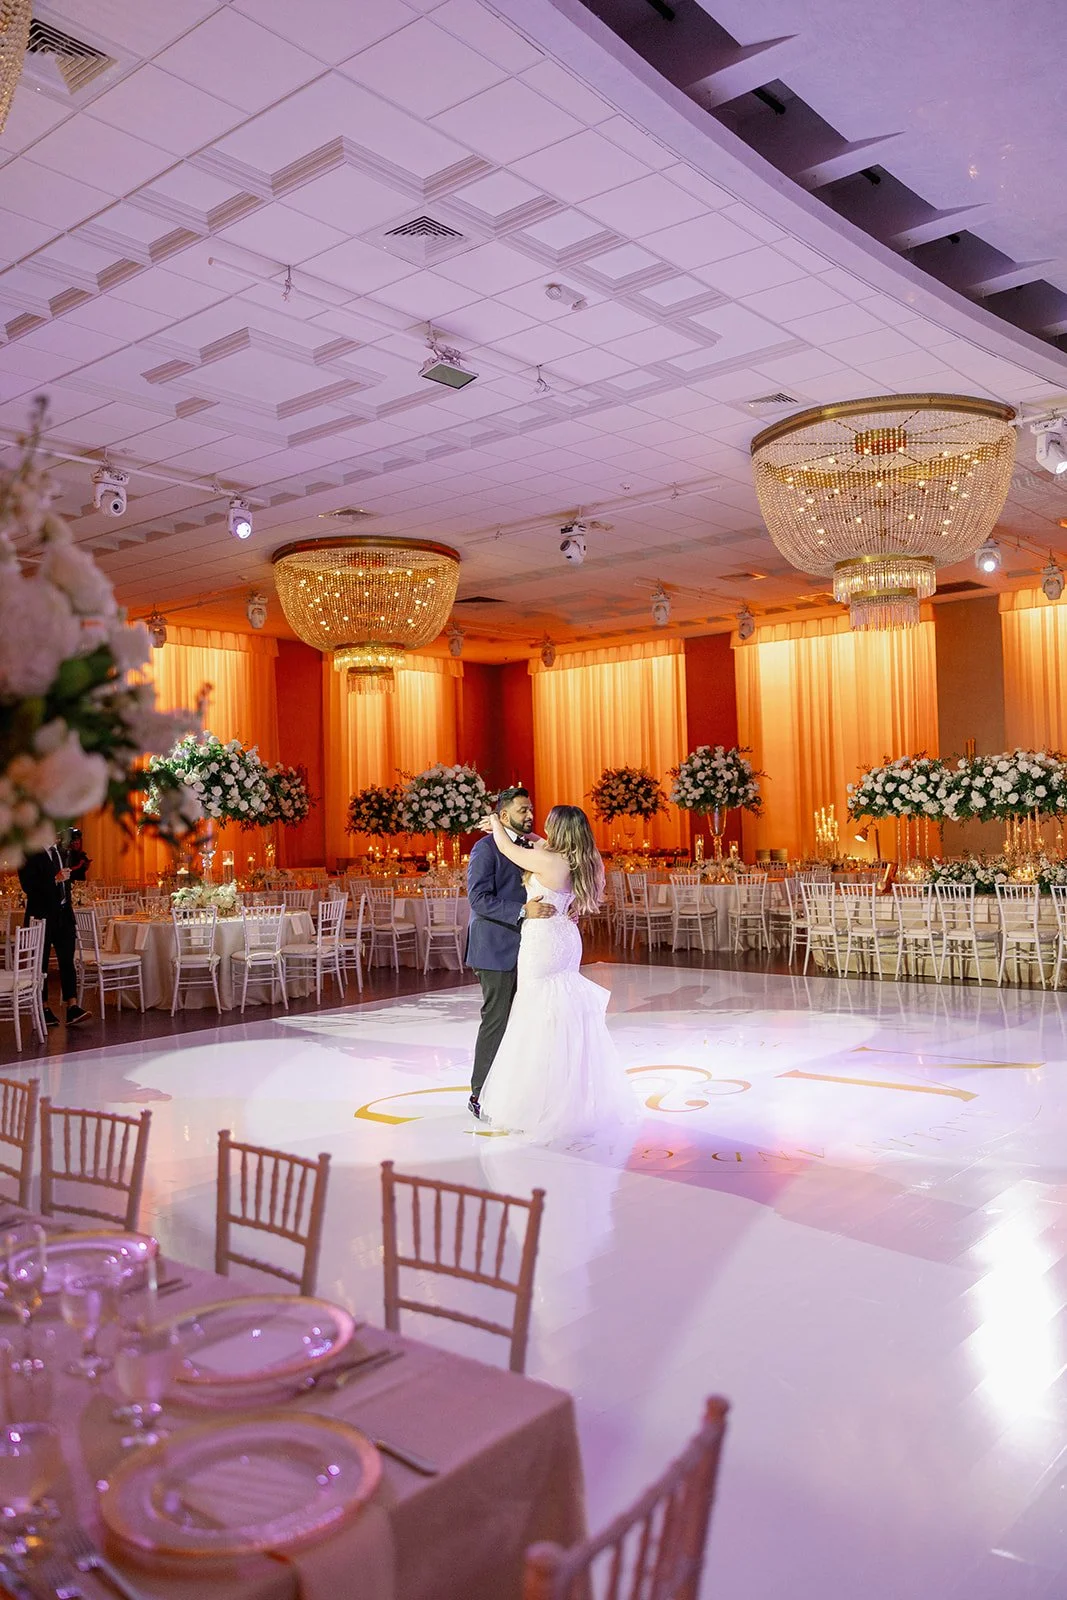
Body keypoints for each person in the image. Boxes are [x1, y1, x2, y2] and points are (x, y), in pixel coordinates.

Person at [477, 804, 639, 1144]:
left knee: (536, 1013)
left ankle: (538, 1101)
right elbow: (536, 843)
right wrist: (528, 835)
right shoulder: (580, 860)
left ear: (559, 830)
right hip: (566, 936)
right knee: (560, 1013)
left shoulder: (549, 861)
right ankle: (567, 1095)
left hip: (543, 939)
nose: (543, 829)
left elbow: (507, 848)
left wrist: (494, 820)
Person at [465, 786, 556, 1121]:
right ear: (503, 816)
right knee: (497, 1020)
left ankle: (512, 1091)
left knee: (523, 1022)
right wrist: (522, 911)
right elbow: (478, 898)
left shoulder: (530, 845)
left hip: (529, 949)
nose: (529, 814)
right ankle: (479, 1093)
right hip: (495, 947)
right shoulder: (485, 848)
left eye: (531, 808)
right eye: (522, 810)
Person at [17, 845, 92, 1029]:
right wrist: (54, 879)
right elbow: (28, 886)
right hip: (42, 915)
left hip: (63, 915)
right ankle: (43, 1007)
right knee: (41, 963)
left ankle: (72, 1006)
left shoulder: (61, 852)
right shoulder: (28, 852)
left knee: (67, 961)